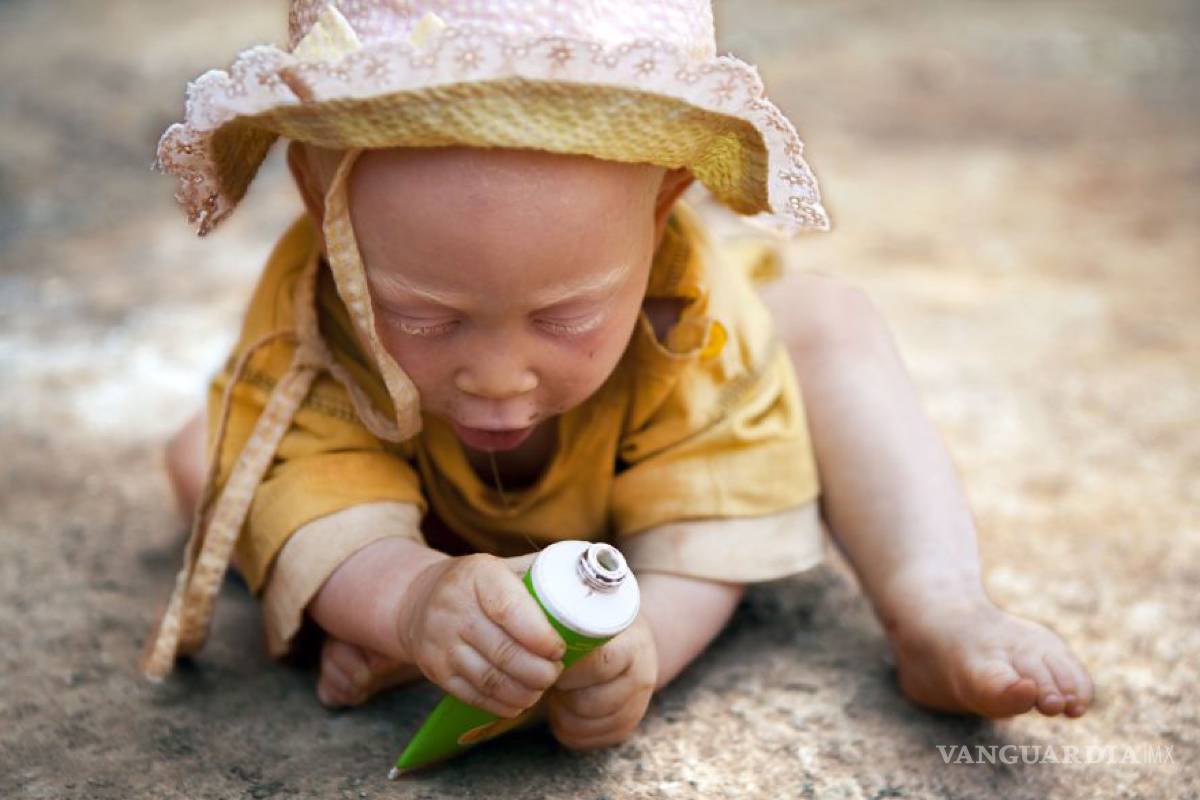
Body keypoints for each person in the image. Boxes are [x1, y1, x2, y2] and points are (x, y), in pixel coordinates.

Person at [144, 0, 1093, 751]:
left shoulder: (694, 315)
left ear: (664, 205)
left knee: (828, 319)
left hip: (651, 479)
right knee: (214, 453)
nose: (497, 378)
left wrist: (642, 650)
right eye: (426, 317)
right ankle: (419, 619)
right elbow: (303, 476)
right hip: (410, 511)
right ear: (324, 204)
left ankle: (937, 607)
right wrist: (406, 598)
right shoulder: (314, 315)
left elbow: (708, 518)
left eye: (564, 318)